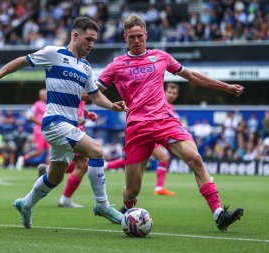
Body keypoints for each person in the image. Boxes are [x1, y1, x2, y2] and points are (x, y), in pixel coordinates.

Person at [96, 15, 244, 232]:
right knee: (132, 191)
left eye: (140, 36)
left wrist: (226, 87)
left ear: (146, 35)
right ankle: (128, 209)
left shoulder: (161, 57)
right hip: (137, 127)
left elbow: (192, 76)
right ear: (125, 38)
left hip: (164, 120)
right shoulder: (117, 65)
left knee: (195, 158)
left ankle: (219, 214)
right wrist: (108, 105)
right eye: (131, 38)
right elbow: (93, 91)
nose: (136, 41)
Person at [0, 17, 128, 229]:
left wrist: (112, 106)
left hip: (69, 126)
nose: (91, 45)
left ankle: (25, 204)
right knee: (96, 150)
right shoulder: (54, 53)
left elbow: (95, 96)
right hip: (54, 123)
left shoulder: (86, 67)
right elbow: (22, 61)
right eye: (88, 39)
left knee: (56, 176)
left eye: (94, 41)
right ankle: (102, 205)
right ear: (75, 36)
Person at [105, 82, 181, 196]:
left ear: (177, 95)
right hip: (145, 134)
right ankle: (159, 188)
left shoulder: (170, 107)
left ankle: (105, 166)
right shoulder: (157, 102)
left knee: (134, 162)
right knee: (163, 158)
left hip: (153, 137)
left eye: (174, 93)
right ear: (164, 91)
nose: (171, 95)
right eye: (169, 92)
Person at [37, 92, 99, 208]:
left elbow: (79, 102)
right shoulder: (76, 84)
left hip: (71, 126)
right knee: (82, 164)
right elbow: (73, 100)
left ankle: (48, 171)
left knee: (75, 163)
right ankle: (65, 199)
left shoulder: (74, 81)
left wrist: (86, 113)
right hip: (72, 127)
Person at [16, 89, 49, 170]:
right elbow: (29, 116)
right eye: (44, 94)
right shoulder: (37, 104)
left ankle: (48, 168)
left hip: (48, 129)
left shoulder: (49, 104)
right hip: (39, 130)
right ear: (40, 96)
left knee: (50, 150)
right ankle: (23, 158)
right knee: (40, 151)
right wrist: (41, 123)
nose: (46, 96)